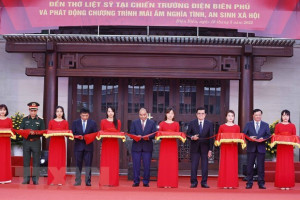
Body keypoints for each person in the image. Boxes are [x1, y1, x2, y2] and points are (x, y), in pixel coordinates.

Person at [243, 109, 270, 189]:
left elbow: (268, 135)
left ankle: (261, 183)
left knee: (261, 167)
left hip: (261, 148)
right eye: (256, 115)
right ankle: (249, 183)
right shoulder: (248, 124)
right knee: (249, 166)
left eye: (259, 115)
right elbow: (244, 134)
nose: (258, 116)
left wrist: (263, 138)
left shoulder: (265, 125)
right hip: (251, 148)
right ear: (253, 116)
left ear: (261, 115)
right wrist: (249, 137)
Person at [187, 107, 213, 188]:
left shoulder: (209, 123)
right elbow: (187, 134)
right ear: (196, 114)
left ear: (205, 115)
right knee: (194, 165)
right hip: (195, 147)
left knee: (205, 166)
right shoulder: (192, 123)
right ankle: (194, 182)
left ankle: (204, 182)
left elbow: (211, 137)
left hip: (205, 148)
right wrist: (192, 137)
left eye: (202, 113)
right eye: (199, 113)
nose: (201, 115)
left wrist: (210, 150)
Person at [130, 108, 157, 187]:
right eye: (141, 115)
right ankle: (136, 181)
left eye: (144, 115)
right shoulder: (134, 122)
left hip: (147, 147)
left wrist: (148, 137)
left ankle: (146, 182)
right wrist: (136, 136)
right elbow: (131, 133)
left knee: (147, 165)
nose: (143, 116)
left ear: (147, 114)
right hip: (136, 147)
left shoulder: (151, 123)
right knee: (136, 165)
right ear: (139, 115)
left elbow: (154, 134)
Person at [20, 102, 45, 185]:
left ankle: (35, 179)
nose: (33, 112)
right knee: (26, 161)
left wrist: (36, 133)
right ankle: (26, 179)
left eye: (35, 110)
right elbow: (21, 130)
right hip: (26, 142)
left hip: (36, 142)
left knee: (36, 161)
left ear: (37, 110)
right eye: (31, 110)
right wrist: (26, 132)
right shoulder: (24, 119)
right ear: (29, 110)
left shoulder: (40, 120)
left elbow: (43, 132)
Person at [72, 107, 98, 186]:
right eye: (83, 115)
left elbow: (95, 133)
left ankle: (88, 181)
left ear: (88, 115)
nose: (85, 117)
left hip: (88, 146)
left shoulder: (92, 123)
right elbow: (72, 133)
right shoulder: (75, 122)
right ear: (80, 115)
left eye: (86, 116)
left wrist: (88, 137)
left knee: (88, 164)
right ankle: (78, 180)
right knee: (78, 164)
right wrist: (78, 136)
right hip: (78, 146)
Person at [217, 110, 240, 189]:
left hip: (233, 148)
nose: (230, 117)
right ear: (226, 117)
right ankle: (224, 183)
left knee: (232, 165)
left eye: (232, 116)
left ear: (234, 117)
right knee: (224, 165)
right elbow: (218, 138)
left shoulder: (237, 127)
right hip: (224, 148)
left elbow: (238, 138)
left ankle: (231, 183)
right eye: (229, 116)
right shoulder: (222, 127)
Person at [157, 108, 180, 188]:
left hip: (173, 145)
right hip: (164, 145)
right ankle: (163, 183)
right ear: (166, 114)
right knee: (164, 163)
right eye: (169, 113)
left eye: (172, 113)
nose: (170, 115)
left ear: (174, 115)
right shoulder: (162, 123)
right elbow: (158, 134)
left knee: (172, 164)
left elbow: (178, 134)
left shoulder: (176, 124)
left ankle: (171, 183)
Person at [99, 107, 121, 186]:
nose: (110, 113)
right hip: (106, 144)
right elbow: (101, 133)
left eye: (112, 111)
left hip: (114, 144)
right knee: (105, 162)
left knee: (113, 162)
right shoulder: (103, 121)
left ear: (114, 112)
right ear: (106, 112)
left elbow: (118, 133)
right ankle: (105, 181)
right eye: (109, 111)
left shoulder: (118, 122)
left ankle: (113, 182)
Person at [274, 110, 296, 190]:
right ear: (281, 117)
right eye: (283, 115)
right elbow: (275, 136)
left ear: (289, 116)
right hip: (281, 148)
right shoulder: (278, 126)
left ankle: (288, 184)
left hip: (289, 148)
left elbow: (294, 137)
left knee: (288, 165)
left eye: (287, 115)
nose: (285, 117)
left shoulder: (292, 125)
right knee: (281, 165)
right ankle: (281, 184)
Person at [47, 106, 69, 185]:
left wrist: (69, 134)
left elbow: (67, 134)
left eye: (61, 111)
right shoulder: (51, 122)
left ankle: (60, 180)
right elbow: (48, 133)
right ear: (55, 113)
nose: (59, 113)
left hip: (61, 143)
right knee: (53, 160)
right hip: (53, 143)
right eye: (57, 111)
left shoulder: (65, 122)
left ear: (63, 113)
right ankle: (52, 180)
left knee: (60, 160)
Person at [0, 104, 13, 184]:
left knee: (5, 158)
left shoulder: (9, 120)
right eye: (1, 110)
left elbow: (12, 130)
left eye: (4, 110)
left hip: (6, 141)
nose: (2, 111)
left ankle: (6, 178)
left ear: (6, 111)